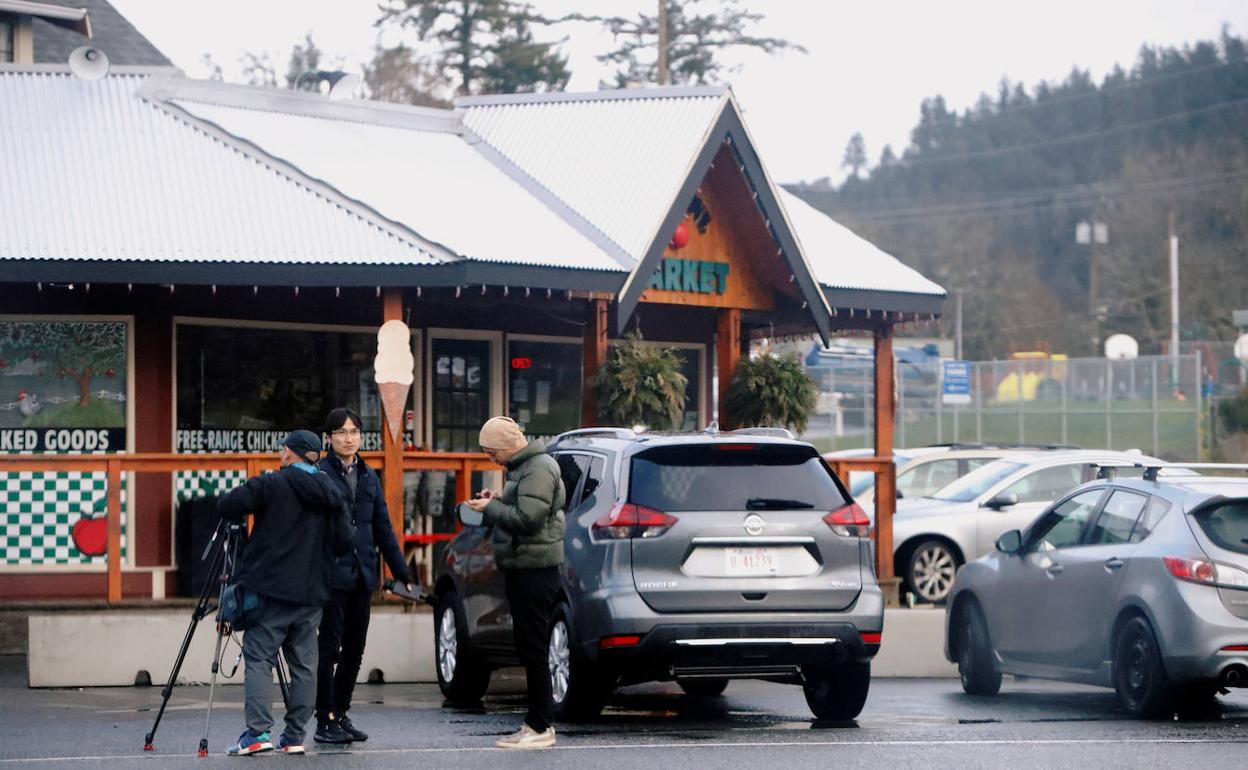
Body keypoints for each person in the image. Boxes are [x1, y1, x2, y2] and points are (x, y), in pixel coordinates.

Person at [217, 429, 352, 756]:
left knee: (260, 657)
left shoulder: (272, 484)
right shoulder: (331, 492)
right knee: (305, 665)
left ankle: (258, 732)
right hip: (312, 594)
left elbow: (228, 504)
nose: (280, 454)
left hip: (271, 591)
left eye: (283, 450)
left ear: (289, 453)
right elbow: (346, 542)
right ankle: (294, 737)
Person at [313, 407, 416, 744]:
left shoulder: (369, 476)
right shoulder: (319, 475)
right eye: (341, 432)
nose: (349, 438)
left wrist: (401, 572)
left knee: (355, 648)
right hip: (330, 575)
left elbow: (382, 528)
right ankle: (324, 718)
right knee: (329, 648)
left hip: (362, 575)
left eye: (354, 432)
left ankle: (340, 713)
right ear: (329, 438)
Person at [464, 416, 565, 750]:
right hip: (526, 568)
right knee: (530, 646)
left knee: (534, 648)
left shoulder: (538, 467)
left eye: (492, 452)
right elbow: (524, 507)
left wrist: (491, 508)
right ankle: (535, 722)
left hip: (535, 571)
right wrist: (498, 500)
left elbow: (528, 519)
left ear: (506, 446)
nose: (491, 459)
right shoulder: (526, 468)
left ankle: (540, 726)